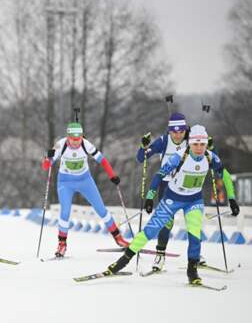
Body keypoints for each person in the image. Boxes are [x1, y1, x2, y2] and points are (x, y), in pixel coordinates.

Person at [106, 125, 240, 285]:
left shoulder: (211, 157)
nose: (199, 148)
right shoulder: (179, 156)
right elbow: (159, 175)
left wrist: (232, 198)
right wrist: (150, 197)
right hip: (172, 198)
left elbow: (224, 175)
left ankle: (192, 271)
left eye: (202, 144)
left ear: (206, 144)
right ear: (189, 143)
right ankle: (122, 262)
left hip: (194, 200)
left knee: (194, 235)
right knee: (150, 231)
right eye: (195, 144)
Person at [138, 114, 239, 271]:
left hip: (190, 187)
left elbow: (213, 156)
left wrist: (211, 147)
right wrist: (143, 147)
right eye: (174, 132)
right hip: (167, 187)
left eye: (181, 131)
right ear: (169, 131)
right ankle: (160, 254)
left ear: (186, 130)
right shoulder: (163, 141)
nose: (178, 135)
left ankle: (195, 256)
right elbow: (141, 158)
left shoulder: (192, 139)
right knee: (167, 222)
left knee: (194, 221)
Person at [41, 122, 128, 258]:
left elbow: (103, 161)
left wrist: (112, 175)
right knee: (65, 212)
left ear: (82, 137)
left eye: (79, 139)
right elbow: (46, 166)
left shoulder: (86, 144)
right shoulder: (60, 145)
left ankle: (118, 238)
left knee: (101, 209)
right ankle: (62, 244)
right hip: (65, 182)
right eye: (73, 139)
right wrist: (48, 156)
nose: (76, 142)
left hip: (85, 181)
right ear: (68, 137)